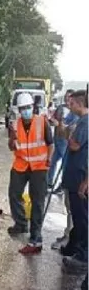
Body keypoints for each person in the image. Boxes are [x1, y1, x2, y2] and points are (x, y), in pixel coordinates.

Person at [7, 92, 54, 254]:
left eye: (28, 107)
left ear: (33, 107)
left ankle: (36, 238)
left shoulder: (42, 122)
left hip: (39, 167)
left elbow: (50, 144)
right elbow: (11, 146)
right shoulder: (15, 125)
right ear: (19, 110)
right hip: (21, 165)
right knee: (14, 194)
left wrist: (49, 160)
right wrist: (12, 140)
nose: (26, 111)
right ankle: (20, 224)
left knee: (37, 202)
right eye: (23, 109)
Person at [60, 90, 88, 274]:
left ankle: (83, 255)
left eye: (72, 104)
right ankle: (75, 247)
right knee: (78, 215)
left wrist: (69, 134)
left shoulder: (85, 122)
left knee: (81, 216)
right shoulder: (80, 121)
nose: (70, 107)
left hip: (79, 175)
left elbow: (75, 145)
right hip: (74, 173)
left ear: (79, 104)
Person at [47, 89, 76, 189]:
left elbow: (71, 126)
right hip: (57, 139)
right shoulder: (60, 108)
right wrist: (53, 120)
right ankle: (49, 182)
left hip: (66, 141)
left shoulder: (74, 112)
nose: (67, 99)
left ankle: (63, 185)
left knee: (65, 163)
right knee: (52, 161)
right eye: (66, 96)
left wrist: (61, 124)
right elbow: (52, 119)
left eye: (69, 97)